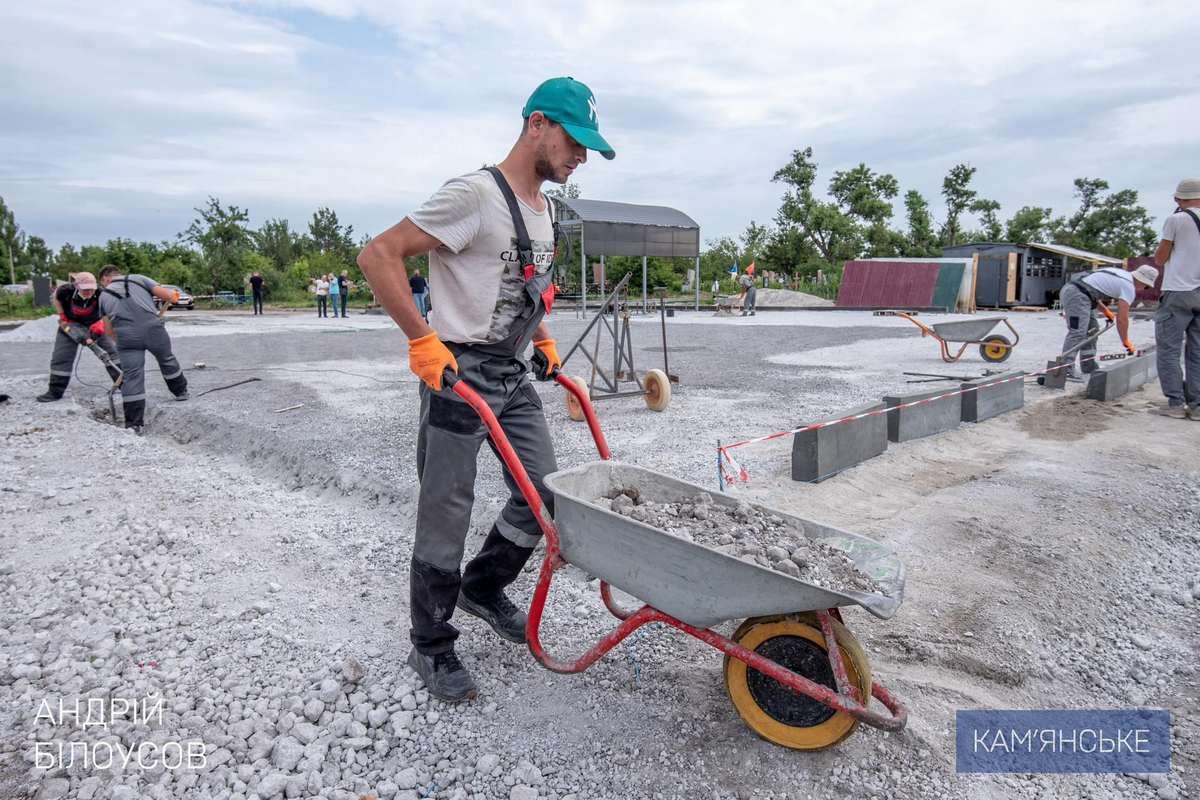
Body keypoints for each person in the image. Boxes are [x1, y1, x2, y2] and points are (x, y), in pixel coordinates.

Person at [357, 76, 614, 702]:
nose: (580, 156)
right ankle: (431, 644)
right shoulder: (474, 195)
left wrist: (544, 338)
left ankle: (481, 586)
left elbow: (524, 285)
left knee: (545, 494)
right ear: (536, 125)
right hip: (458, 370)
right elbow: (379, 255)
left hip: (510, 369)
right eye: (574, 140)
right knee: (447, 510)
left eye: (588, 146)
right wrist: (422, 340)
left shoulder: (545, 210)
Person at [97, 265, 188, 431]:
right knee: (166, 358)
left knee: (132, 376)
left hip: (125, 336)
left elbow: (108, 330)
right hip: (152, 329)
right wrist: (173, 295)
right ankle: (181, 392)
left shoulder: (102, 296)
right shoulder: (139, 278)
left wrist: (121, 341)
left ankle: (134, 424)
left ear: (105, 279)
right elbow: (169, 296)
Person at [1152, 178, 1200, 420]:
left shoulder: (1176, 220)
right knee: (1197, 351)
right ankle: (1198, 406)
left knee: (1169, 350)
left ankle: (1175, 403)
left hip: (1178, 292)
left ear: (1178, 199)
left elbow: (1160, 258)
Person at [1058, 263, 1158, 379]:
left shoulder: (1120, 274)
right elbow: (1122, 319)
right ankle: (1065, 370)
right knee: (1078, 332)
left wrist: (1106, 311)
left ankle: (1088, 365)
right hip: (1077, 296)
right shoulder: (1129, 286)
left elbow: (1089, 289)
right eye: (1146, 287)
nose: (1144, 289)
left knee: (1093, 330)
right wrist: (1126, 341)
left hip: (1080, 293)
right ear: (1143, 281)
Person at [37, 272, 122, 402]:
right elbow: (56, 298)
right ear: (76, 286)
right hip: (71, 323)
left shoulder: (102, 294)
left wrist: (101, 324)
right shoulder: (65, 291)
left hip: (95, 323)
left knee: (112, 354)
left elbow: (109, 311)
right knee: (61, 357)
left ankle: (124, 386)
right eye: (85, 288)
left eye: (91, 288)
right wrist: (62, 316)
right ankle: (55, 391)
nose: (88, 291)